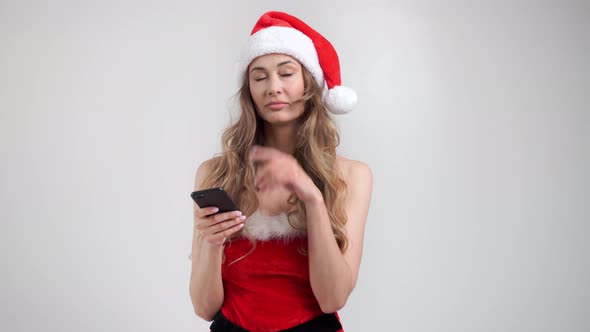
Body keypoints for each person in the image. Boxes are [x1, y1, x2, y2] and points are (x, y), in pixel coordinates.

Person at [189, 11, 373, 332]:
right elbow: (204, 308)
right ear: (249, 91)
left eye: (286, 73)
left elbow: (332, 299)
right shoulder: (215, 173)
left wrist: (312, 199)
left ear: (310, 84)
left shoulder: (352, 175)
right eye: (259, 77)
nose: (273, 87)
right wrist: (211, 242)